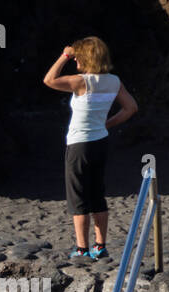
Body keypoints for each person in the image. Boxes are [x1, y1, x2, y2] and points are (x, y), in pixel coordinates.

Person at [42, 37, 137, 260]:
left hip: (79, 145)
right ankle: (100, 246)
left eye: (78, 58)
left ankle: (82, 248)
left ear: (87, 59)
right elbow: (131, 108)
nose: (76, 62)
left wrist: (64, 55)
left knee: (78, 197)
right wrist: (108, 124)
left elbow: (49, 80)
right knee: (97, 194)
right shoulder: (113, 81)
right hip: (100, 142)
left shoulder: (81, 82)